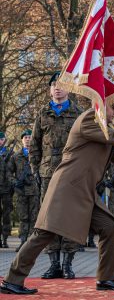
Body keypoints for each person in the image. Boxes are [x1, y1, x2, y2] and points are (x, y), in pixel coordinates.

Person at [0, 102, 114, 295]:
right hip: (68, 188)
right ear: (102, 105)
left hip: (84, 191)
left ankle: (107, 279)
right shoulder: (89, 119)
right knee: (44, 233)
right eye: (113, 108)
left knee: (108, 227)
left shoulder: (103, 128)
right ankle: (12, 280)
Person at [29, 71, 83, 279]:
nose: (57, 87)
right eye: (53, 85)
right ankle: (54, 264)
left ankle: (68, 264)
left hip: (71, 172)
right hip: (47, 173)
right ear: (50, 89)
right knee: (49, 219)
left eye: (61, 84)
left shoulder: (78, 113)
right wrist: (35, 169)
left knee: (69, 217)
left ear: (69, 88)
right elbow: (34, 144)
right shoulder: (42, 113)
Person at [7, 130, 40, 252]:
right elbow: (9, 172)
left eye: (29, 137)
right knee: (23, 217)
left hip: (34, 190)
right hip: (21, 191)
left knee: (34, 217)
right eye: (25, 137)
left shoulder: (37, 155)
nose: (27, 139)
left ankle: (31, 244)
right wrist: (15, 182)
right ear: (22, 140)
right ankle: (22, 242)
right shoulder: (15, 156)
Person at [0, 131, 14, 248]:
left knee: (6, 215)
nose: (0, 141)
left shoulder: (10, 153)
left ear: (4, 140)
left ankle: (5, 239)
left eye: (1, 139)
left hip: (6, 188)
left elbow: (13, 170)